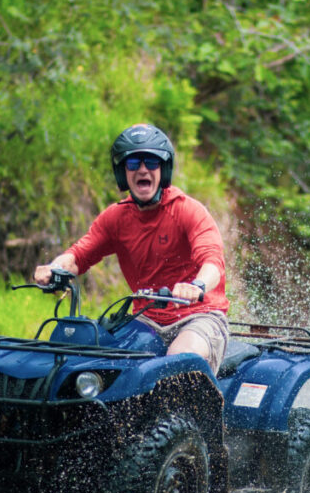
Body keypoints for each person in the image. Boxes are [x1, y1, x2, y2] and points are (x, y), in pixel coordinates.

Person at [33, 123, 230, 372]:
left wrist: (196, 286)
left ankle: (186, 412)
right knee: (99, 365)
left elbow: (212, 262)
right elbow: (78, 256)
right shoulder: (116, 217)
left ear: (164, 169)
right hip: (146, 320)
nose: (143, 169)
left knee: (177, 361)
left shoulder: (187, 210)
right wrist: (53, 268)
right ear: (122, 173)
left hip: (199, 317)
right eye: (133, 163)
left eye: (151, 162)